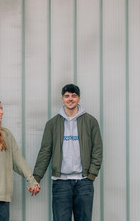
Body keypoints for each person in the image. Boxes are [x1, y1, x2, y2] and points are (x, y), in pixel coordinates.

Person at [33, 84, 103, 221]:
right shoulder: (52, 124)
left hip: (84, 183)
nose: (70, 99)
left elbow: (97, 149)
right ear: (62, 98)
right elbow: (45, 152)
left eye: (73, 95)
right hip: (61, 183)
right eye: (67, 96)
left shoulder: (91, 122)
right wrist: (36, 178)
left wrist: (92, 174)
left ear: (79, 98)